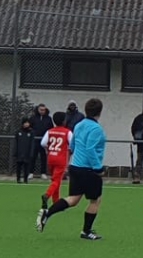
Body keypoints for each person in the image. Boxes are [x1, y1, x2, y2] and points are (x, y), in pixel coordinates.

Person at [36, 98, 107, 241]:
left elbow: (72, 145)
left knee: (73, 199)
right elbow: (91, 149)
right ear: (99, 112)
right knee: (95, 200)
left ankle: (47, 213)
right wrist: (98, 168)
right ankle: (86, 231)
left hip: (76, 167)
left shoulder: (79, 125)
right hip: (89, 169)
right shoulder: (96, 129)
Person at [39, 111, 73, 210]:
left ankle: (56, 203)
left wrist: (49, 149)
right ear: (64, 121)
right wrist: (69, 151)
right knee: (56, 181)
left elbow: (43, 143)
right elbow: (72, 144)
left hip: (51, 158)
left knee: (56, 180)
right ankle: (47, 195)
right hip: (61, 159)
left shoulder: (50, 131)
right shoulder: (67, 132)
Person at [14, 118, 39, 184]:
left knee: (26, 167)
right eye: (25, 123)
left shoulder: (31, 132)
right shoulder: (18, 132)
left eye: (27, 123)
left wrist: (31, 152)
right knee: (18, 166)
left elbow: (32, 143)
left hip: (27, 153)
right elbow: (16, 142)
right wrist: (15, 152)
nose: (26, 124)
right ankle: (18, 179)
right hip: (19, 152)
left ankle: (25, 179)